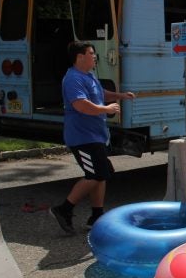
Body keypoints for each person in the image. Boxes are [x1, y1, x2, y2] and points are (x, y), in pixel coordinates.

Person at [49, 41, 135, 234]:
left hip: (95, 136)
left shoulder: (89, 75)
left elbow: (100, 94)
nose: (95, 56)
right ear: (80, 57)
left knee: (101, 175)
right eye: (91, 53)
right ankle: (63, 210)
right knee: (96, 175)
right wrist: (107, 109)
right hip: (81, 138)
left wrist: (119, 96)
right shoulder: (72, 79)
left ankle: (96, 216)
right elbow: (81, 105)